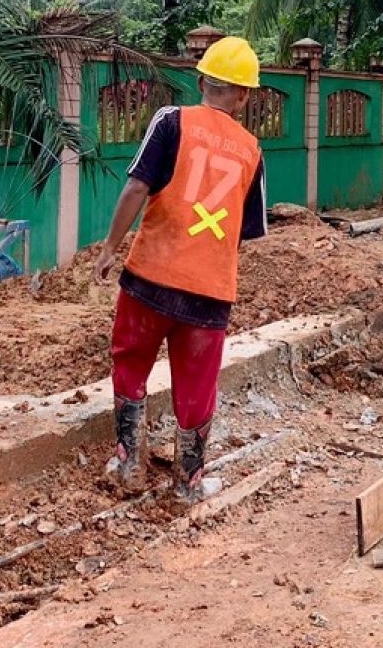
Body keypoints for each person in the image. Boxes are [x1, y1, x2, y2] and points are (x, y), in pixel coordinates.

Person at [94, 36, 268, 501]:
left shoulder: (171, 121)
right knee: (196, 384)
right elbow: (244, 231)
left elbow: (136, 188)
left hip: (149, 277)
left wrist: (111, 247)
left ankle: (127, 462)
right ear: (245, 94)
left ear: (201, 80)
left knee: (130, 362)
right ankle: (188, 483)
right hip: (209, 293)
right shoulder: (252, 150)